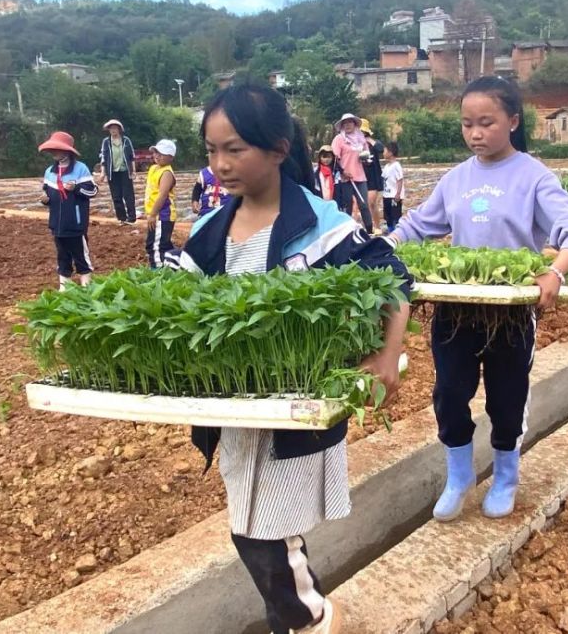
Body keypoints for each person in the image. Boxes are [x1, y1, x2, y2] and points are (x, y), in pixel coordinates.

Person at [170, 84, 410, 634]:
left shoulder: (321, 225)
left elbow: (393, 278)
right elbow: (170, 307)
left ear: (277, 149)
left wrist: (386, 355)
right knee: (263, 525)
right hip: (233, 410)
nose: (219, 164)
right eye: (210, 151)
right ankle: (309, 615)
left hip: (294, 406)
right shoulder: (210, 230)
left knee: (258, 529)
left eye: (234, 149)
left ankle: (310, 621)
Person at [391, 76, 568, 522]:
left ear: (513, 121)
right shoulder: (455, 179)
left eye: (486, 122)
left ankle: (505, 475)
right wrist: (382, 248)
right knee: (449, 393)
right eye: (467, 124)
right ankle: (459, 474)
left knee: (506, 397)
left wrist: (555, 270)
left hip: (511, 314)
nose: (475, 133)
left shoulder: (533, 176)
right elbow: (415, 228)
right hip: (456, 309)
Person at [39, 131, 99, 289]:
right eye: (53, 149)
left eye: (58, 149)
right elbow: (47, 193)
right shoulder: (49, 171)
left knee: (81, 257)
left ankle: (87, 288)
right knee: (62, 257)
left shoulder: (81, 169)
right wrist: (45, 200)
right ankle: (64, 289)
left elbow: (92, 191)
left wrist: (76, 188)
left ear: (67, 151)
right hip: (57, 225)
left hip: (75, 225)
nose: (54, 152)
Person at [330, 113, 374, 233]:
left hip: (360, 177)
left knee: (364, 205)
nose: (348, 125)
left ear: (355, 124)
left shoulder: (361, 139)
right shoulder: (339, 140)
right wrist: (343, 172)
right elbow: (334, 159)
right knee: (347, 205)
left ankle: (370, 231)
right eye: (345, 123)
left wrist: (366, 160)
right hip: (345, 178)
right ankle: (347, 233)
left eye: (350, 122)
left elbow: (367, 158)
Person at [145, 139, 178, 268]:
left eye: (161, 154)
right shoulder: (154, 168)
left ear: (171, 157)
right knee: (162, 244)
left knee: (155, 246)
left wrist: (153, 214)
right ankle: (175, 265)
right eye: (155, 152)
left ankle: (158, 272)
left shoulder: (167, 173)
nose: (157, 156)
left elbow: (163, 195)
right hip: (156, 215)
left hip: (162, 215)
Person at [97, 119, 137, 225]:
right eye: (111, 128)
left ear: (119, 129)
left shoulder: (126, 140)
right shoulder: (106, 142)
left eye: (115, 128)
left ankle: (132, 218)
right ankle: (122, 218)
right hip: (112, 172)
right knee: (116, 196)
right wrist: (102, 173)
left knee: (128, 195)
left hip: (125, 171)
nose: (113, 130)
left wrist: (133, 171)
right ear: (109, 130)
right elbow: (103, 158)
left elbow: (131, 157)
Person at [361, 119, 385, 234]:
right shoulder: (354, 143)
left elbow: (381, 149)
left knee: (371, 202)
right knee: (361, 204)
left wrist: (369, 140)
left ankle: (377, 226)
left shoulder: (373, 143)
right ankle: (367, 226)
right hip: (360, 175)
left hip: (373, 177)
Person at [381, 141, 404, 232]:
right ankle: (390, 230)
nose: (383, 153)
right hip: (386, 195)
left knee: (395, 215)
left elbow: (400, 179)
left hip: (394, 196)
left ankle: (398, 232)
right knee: (387, 215)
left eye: (384, 151)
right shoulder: (386, 166)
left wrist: (398, 193)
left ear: (390, 153)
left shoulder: (396, 166)